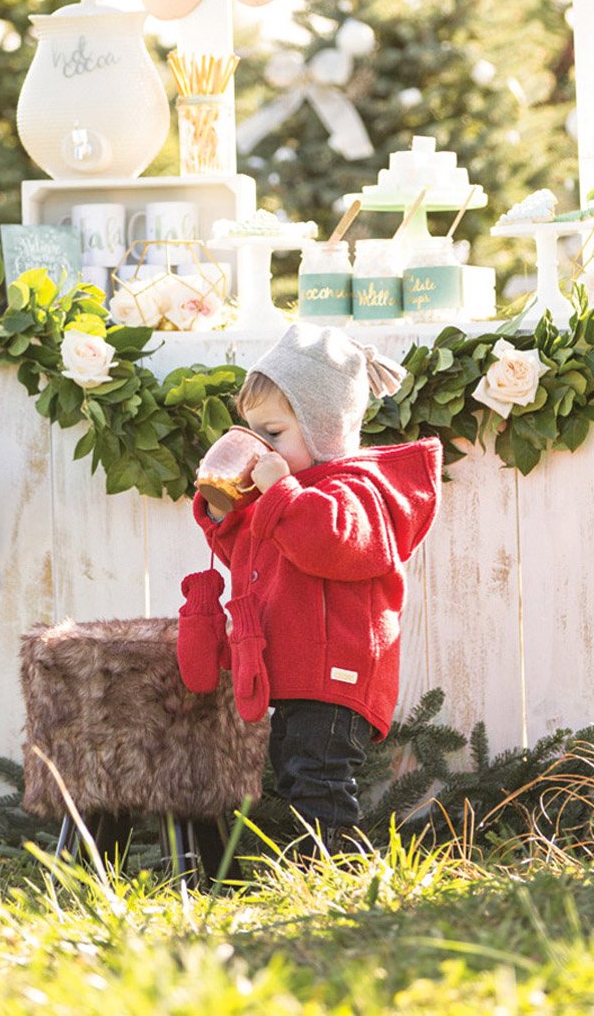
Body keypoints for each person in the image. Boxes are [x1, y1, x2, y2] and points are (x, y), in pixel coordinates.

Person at [177, 322, 442, 856]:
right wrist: (225, 514)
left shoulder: (356, 490)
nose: (259, 448)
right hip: (298, 671)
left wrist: (279, 492)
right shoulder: (291, 494)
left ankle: (332, 869)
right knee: (300, 771)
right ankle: (316, 865)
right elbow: (254, 562)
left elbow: (328, 542)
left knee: (317, 778)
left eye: (272, 434)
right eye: (251, 433)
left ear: (324, 427)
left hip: (337, 670)